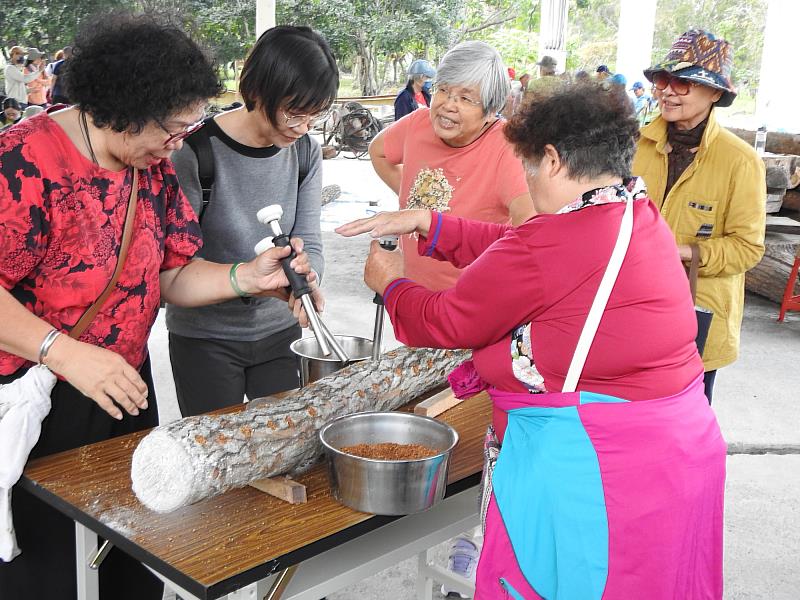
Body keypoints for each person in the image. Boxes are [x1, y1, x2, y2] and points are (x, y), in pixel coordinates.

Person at [338, 78, 726, 600]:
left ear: (551, 160)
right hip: (679, 448)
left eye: (526, 166)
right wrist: (432, 223)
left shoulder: (557, 240)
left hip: (599, 466)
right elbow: (518, 249)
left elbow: (448, 320)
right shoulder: (632, 209)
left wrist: (390, 282)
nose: (526, 180)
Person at [0, 14, 317, 600]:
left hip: (122, 387)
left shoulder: (151, 169)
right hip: (38, 392)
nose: (179, 143)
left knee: (130, 556)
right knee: (50, 571)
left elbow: (171, 275)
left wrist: (246, 277)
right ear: (121, 108)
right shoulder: (23, 162)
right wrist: (63, 352)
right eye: (172, 129)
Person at [167, 25, 335, 417]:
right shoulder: (194, 153)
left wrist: (308, 279)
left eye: (316, 115)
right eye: (294, 112)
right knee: (215, 453)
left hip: (282, 335)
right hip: (205, 338)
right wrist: (246, 277)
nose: (304, 127)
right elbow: (173, 267)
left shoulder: (305, 152)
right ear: (257, 89)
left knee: (283, 446)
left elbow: (310, 240)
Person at [632, 29, 766, 404]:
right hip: (631, 309)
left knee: (682, 427)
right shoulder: (634, 147)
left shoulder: (740, 161)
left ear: (716, 93)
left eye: (685, 82)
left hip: (695, 322)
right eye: (663, 79)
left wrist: (682, 253)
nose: (669, 90)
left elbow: (747, 248)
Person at [370, 40, 533, 293]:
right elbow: (378, 152)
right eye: (443, 90)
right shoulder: (417, 124)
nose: (448, 105)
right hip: (411, 290)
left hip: (469, 302)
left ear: (491, 111)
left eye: (466, 98)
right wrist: (413, 199)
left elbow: (529, 234)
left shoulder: (508, 147)